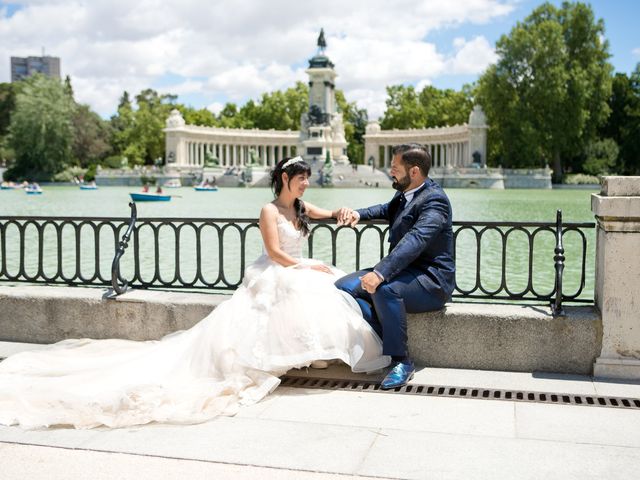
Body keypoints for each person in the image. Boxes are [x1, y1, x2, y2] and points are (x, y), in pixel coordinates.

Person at [0, 156, 389, 430]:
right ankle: (288, 357)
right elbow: (274, 252)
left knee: (323, 286)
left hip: (296, 267)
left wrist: (346, 212)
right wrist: (303, 264)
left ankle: (310, 354)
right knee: (303, 284)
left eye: (307, 178)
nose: (307, 182)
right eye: (301, 178)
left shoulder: (302, 205)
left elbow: (328, 215)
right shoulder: (268, 210)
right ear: (285, 180)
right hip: (278, 268)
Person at [335, 143, 455, 390]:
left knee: (383, 289)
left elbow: (416, 240)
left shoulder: (435, 200)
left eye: (394, 167)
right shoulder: (404, 194)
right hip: (403, 272)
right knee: (343, 288)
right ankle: (382, 337)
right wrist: (357, 214)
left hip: (430, 280)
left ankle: (402, 360)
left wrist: (379, 273)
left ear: (413, 172)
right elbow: (384, 210)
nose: (390, 171)